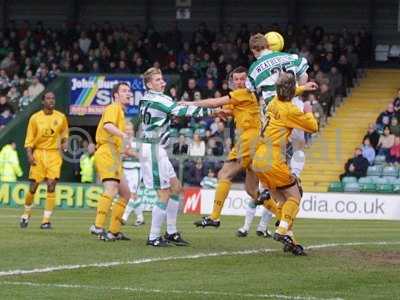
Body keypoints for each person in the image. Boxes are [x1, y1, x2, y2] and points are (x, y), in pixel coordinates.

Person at [139, 67, 214, 247]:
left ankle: (171, 232)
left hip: (158, 148)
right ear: (149, 84)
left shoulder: (149, 98)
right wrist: (212, 111)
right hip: (153, 148)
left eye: (162, 79)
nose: (163, 82)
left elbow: (178, 106)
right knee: (164, 193)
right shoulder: (157, 99)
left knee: (176, 188)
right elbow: (180, 111)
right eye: (157, 80)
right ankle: (153, 237)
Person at [251, 72, 318, 255]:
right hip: (272, 159)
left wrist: (303, 88)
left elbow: (287, 91)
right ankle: (281, 231)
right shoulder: (290, 110)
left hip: (258, 158)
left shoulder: (272, 102)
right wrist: (308, 110)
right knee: (295, 196)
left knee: (282, 201)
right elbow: (313, 127)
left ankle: (291, 240)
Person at [89, 82, 133, 241]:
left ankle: (113, 232)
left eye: (129, 91)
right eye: (124, 91)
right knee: (111, 188)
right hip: (106, 151)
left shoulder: (120, 112)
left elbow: (118, 139)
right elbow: (107, 126)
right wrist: (123, 135)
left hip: (114, 154)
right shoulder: (113, 108)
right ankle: (98, 226)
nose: (128, 93)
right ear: (116, 95)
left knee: (126, 193)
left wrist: (134, 153)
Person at [20, 91, 69, 229]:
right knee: (33, 186)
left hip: (54, 154)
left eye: (53, 98)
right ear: (43, 101)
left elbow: (65, 132)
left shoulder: (61, 117)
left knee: (51, 185)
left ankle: (45, 221)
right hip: (39, 154)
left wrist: (65, 142)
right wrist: (29, 155)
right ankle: (26, 213)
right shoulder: (35, 118)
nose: (51, 100)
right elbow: (29, 139)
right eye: (48, 98)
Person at [121, 121, 145, 226]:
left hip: (136, 170)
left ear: (133, 130)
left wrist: (130, 152)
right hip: (124, 169)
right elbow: (119, 155)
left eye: (129, 129)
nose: (128, 132)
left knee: (132, 194)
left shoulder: (138, 142)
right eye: (126, 130)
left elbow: (142, 156)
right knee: (133, 196)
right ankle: (140, 218)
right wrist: (124, 153)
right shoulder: (121, 142)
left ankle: (124, 217)